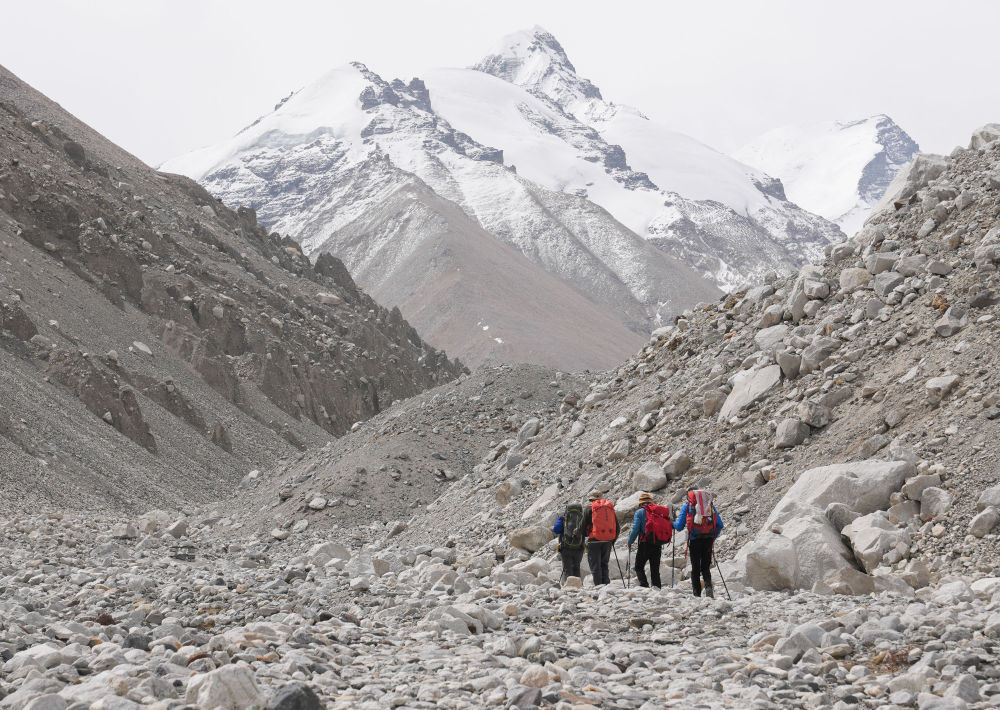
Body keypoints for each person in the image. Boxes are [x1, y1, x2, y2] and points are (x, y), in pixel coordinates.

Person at [673, 489, 724, 598]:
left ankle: (697, 595)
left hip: (695, 540)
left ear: (689, 496)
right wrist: (713, 537)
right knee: (705, 567)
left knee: (695, 568)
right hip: (708, 540)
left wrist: (672, 523)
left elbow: (679, 526)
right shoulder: (709, 506)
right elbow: (720, 524)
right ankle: (708, 588)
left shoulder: (687, 506)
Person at [627, 492, 671, 588]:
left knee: (639, 566)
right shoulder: (657, 511)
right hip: (658, 542)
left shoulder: (640, 512)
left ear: (641, 503)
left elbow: (635, 529)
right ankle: (657, 587)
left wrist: (630, 541)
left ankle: (644, 585)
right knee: (655, 568)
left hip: (645, 543)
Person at [581, 490, 619, 586]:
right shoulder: (609, 508)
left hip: (594, 541)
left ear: (591, 499)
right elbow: (617, 527)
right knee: (604, 564)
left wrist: (577, 533)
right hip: (608, 541)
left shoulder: (589, 508)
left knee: (595, 566)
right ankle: (606, 586)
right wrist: (612, 541)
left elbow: (582, 526)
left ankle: (598, 587)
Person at [552, 503, 585, 584]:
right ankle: (578, 585)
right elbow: (587, 533)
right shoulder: (582, 519)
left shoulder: (563, 518)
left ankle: (568, 586)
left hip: (565, 547)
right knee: (576, 567)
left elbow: (556, 530)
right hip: (579, 547)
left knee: (567, 568)